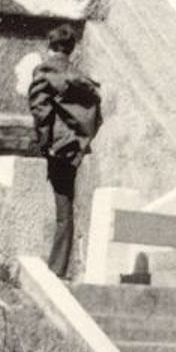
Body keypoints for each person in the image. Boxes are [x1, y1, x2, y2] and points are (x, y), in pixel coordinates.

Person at [25, 24, 103, 277]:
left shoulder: (45, 71)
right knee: (66, 207)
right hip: (76, 147)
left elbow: (41, 110)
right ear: (71, 49)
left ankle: (56, 268)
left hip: (57, 147)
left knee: (62, 209)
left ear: (49, 47)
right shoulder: (78, 75)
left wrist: (45, 143)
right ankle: (60, 266)